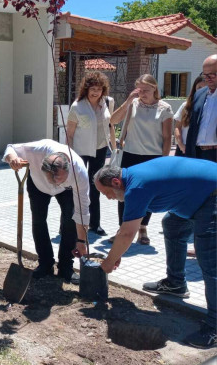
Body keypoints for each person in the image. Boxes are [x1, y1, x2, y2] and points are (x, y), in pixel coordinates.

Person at [93, 158, 217, 349]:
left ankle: (214, 328)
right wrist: (116, 253)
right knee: (172, 224)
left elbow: (127, 233)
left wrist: (109, 262)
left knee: (209, 259)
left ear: (116, 182)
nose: (108, 198)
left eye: (107, 193)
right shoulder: (132, 177)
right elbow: (125, 232)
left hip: (212, 195)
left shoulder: (136, 188)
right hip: (199, 194)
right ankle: (176, 284)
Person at [3, 139, 90, 283]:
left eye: (58, 178)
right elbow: (11, 148)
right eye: (51, 178)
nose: (54, 183)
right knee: (38, 221)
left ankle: (66, 267)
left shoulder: (79, 172)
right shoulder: (37, 149)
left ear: (68, 168)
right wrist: (13, 159)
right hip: (38, 185)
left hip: (66, 190)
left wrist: (81, 240)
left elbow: (83, 210)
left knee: (70, 221)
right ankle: (45, 263)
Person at [109, 74, 173, 245]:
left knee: (148, 194)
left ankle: (143, 228)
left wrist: (164, 162)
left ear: (155, 88)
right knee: (123, 193)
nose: (142, 93)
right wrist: (128, 100)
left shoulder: (164, 108)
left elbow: (167, 138)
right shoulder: (133, 104)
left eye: (146, 90)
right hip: (130, 154)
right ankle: (122, 229)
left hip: (153, 157)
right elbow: (113, 120)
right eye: (139, 90)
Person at [66, 71, 116, 236]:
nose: (96, 92)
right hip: (80, 151)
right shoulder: (77, 106)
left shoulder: (107, 102)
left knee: (96, 186)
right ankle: (71, 222)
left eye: (99, 89)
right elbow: (70, 133)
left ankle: (95, 223)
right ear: (86, 89)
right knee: (79, 186)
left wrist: (114, 148)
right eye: (92, 88)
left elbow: (110, 126)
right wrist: (69, 154)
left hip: (100, 149)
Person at [185, 54, 217, 163]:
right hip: (198, 154)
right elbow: (192, 128)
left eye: (212, 75)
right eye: (204, 75)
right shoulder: (199, 94)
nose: (207, 79)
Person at [174, 74, 206, 156]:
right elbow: (178, 127)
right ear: (194, 88)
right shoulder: (186, 105)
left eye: (205, 88)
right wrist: (181, 145)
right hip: (184, 149)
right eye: (199, 87)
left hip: (203, 150)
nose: (202, 90)